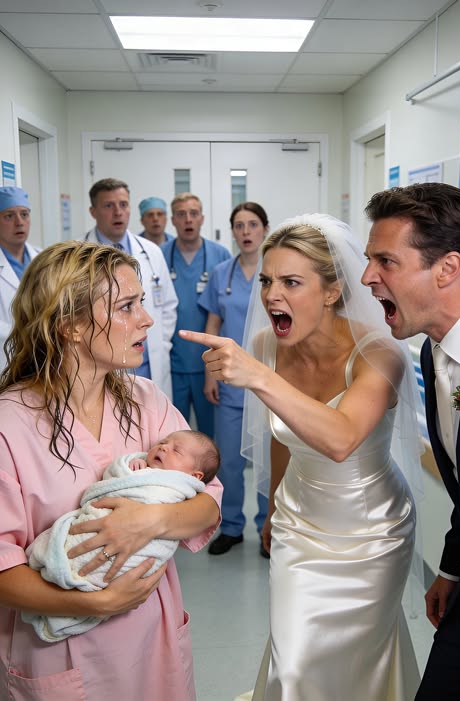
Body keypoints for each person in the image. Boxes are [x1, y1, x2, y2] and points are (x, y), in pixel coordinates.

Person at [180, 213, 424, 699]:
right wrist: (274, 506)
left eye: (291, 282)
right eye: (267, 281)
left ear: (331, 292)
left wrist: (258, 377)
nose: (272, 295)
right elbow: (283, 434)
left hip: (372, 531)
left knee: (361, 660)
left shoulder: (379, 353)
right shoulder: (265, 346)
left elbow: (341, 439)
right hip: (298, 521)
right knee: (294, 660)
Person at [0, 241, 222, 700]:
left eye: (142, 302)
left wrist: (151, 520)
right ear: (71, 325)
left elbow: (208, 501)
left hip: (152, 637)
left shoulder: (146, 399)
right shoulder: (9, 425)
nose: (147, 319)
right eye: (127, 306)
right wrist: (96, 602)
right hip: (61, 650)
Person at [361, 182, 460, 701]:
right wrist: (453, 568)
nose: (367, 277)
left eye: (386, 261)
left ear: (448, 268)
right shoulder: (433, 351)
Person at [23, 429, 220, 643]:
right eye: (163, 442)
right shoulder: (142, 468)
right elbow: (116, 479)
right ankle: (64, 578)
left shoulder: (180, 486)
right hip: (94, 530)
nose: (164, 447)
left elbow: (209, 505)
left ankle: (70, 576)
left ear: (195, 476)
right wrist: (131, 469)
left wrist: (152, 518)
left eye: (176, 450)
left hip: (142, 574)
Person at [199, 202, 270, 557]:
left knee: (269, 461)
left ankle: (268, 527)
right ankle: (230, 527)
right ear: (233, 232)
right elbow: (212, 326)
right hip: (229, 382)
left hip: (268, 381)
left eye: (252, 224)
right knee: (228, 461)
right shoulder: (221, 274)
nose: (246, 232)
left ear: (265, 229)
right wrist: (210, 375)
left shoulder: (276, 271)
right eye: (239, 226)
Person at [85, 178, 177, 400]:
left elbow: (168, 304)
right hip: (103, 363)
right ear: (93, 212)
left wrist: (160, 343)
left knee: (154, 417)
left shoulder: (151, 251)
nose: (118, 212)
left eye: (123, 205)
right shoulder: (79, 257)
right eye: (109, 205)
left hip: (149, 361)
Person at [162, 192, 231, 437]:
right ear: (173, 220)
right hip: (172, 363)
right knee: (172, 435)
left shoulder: (221, 256)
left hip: (209, 364)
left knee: (210, 436)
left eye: (193, 213)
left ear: (202, 218)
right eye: (181, 214)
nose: (188, 219)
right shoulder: (159, 255)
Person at [0, 186, 39, 370]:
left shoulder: (42, 258)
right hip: (4, 360)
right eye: (9, 216)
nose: (19, 222)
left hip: (41, 358)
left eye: (24, 214)